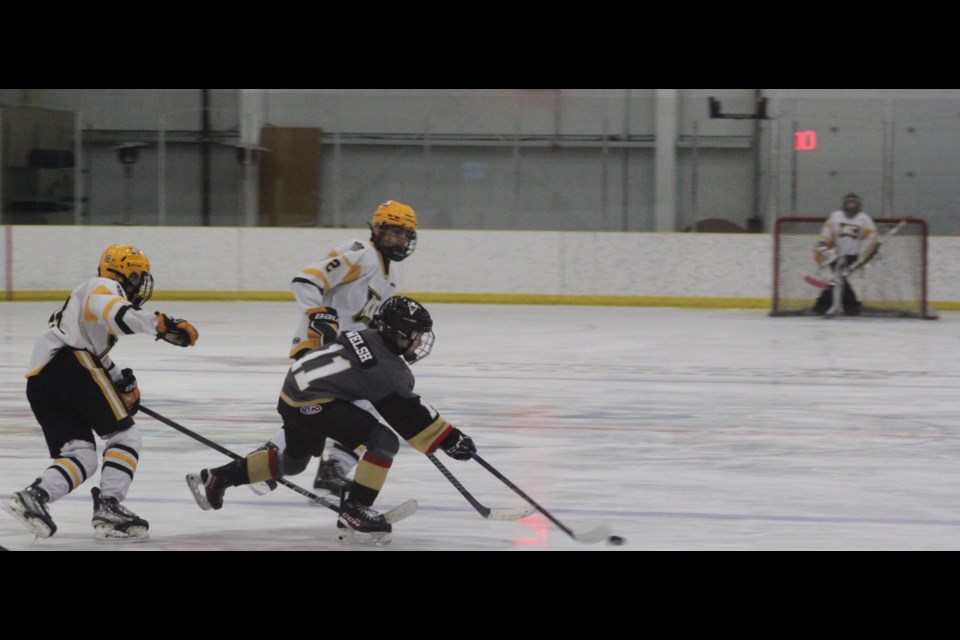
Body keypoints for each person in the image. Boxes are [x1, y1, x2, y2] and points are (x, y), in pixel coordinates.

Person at [186, 295, 476, 544]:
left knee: (294, 462)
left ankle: (220, 477)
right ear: (397, 332)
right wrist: (450, 439)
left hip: (292, 394)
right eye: (413, 335)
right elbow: (409, 415)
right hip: (314, 401)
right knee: (384, 441)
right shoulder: (389, 369)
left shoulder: (364, 334)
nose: (417, 343)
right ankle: (355, 510)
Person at [1, 245, 199, 541]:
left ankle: (34, 497)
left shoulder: (85, 303)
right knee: (126, 437)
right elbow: (118, 314)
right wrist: (160, 324)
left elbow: (98, 356)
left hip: (43, 378)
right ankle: (109, 506)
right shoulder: (103, 286)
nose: (139, 283)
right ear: (122, 272)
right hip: (71, 366)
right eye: (137, 275)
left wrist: (121, 382)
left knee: (81, 454)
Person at [278, 200, 419, 497]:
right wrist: (317, 313)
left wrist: (398, 348)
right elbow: (305, 279)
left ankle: (328, 468)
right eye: (394, 232)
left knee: (354, 409)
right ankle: (281, 465)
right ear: (377, 229)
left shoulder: (389, 275)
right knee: (323, 415)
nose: (400, 240)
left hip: (345, 353)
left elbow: (369, 323)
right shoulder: (359, 252)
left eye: (405, 235)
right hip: (319, 346)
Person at [812, 193, 878, 316]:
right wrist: (823, 244)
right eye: (848, 202)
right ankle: (851, 306)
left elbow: (871, 237)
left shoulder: (864, 219)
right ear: (844, 204)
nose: (851, 205)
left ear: (858, 204)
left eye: (853, 202)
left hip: (852, 256)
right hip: (835, 255)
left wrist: (866, 254)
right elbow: (827, 232)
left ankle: (822, 305)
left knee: (839, 279)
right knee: (840, 279)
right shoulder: (836, 216)